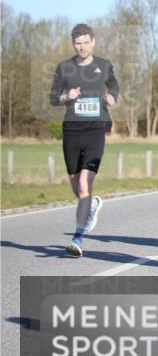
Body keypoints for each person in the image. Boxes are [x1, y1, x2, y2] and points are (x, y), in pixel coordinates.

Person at [49, 23, 119, 257]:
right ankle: (93, 205)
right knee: (75, 186)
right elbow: (53, 98)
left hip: (95, 131)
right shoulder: (64, 67)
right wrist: (66, 96)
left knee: (83, 185)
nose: (82, 47)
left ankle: (77, 238)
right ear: (73, 44)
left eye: (86, 43)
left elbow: (114, 87)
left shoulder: (104, 65)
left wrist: (111, 98)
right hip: (72, 130)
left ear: (93, 42)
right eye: (78, 43)